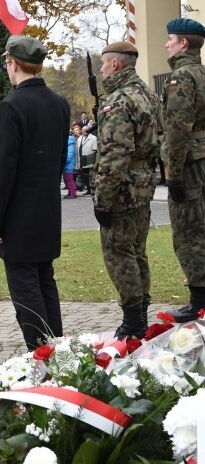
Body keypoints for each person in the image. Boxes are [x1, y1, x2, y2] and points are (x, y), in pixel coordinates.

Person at [0, 36, 70, 350]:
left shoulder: (12, 105)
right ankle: (58, 348)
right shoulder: (59, 103)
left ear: (13, 63)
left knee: (25, 288)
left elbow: (3, 169)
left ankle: (42, 353)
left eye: (7, 63)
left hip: (19, 214)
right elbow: (61, 158)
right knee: (45, 280)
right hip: (47, 208)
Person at [92, 40, 159, 338]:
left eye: (104, 64)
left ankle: (133, 320)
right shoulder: (147, 94)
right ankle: (141, 312)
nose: (102, 70)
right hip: (143, 184)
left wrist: (102, 201)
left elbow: (114, 156)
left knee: (119, 253)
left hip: (122, 190)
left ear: (116, 64)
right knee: (137, 250)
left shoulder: (118, 101)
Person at [160, 18, 205, 322]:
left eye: (171, 39)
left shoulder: (181, 77)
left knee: (189, 232)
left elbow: (178, 130)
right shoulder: (201, 73)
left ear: (183, 44)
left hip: (189, 164)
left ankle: (199, 301)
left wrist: (173, 173)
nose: (167, 44)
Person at [78, 126, 98, 195]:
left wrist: (94, 161)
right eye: (83, 130)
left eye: (86, 130)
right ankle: (88, 189)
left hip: (90, 160)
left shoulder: (93, 138)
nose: (84, 131)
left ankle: (93, 189)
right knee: (85, 176)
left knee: (92, 176)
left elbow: (95, 150)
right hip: (82, 160)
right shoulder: (79, 138)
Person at [63, 133, 77, 198]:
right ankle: (70, 192)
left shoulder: (70, 148)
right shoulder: (69, 147)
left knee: (70, 180)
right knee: (68, 180)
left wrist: (63, 162)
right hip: (67, 166)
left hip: (69, 166)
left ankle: (73, 193)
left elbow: (68, 157)